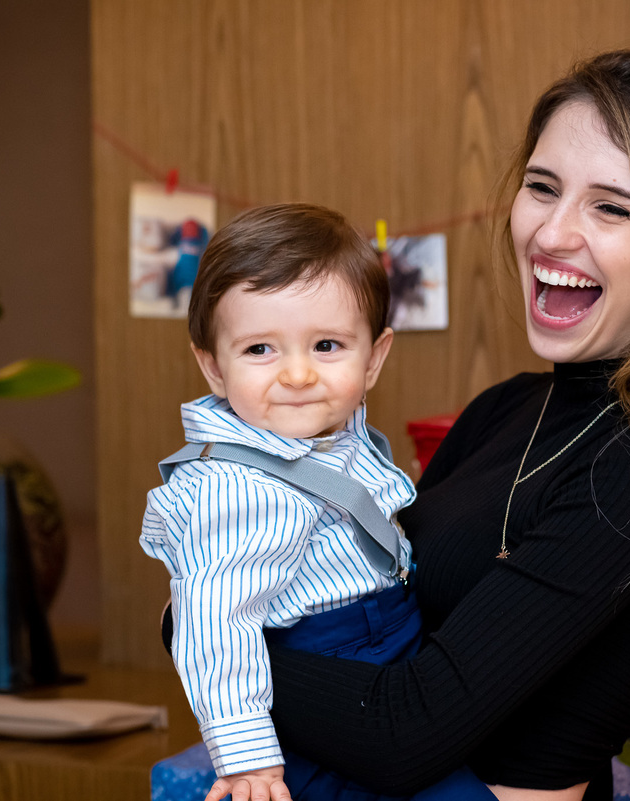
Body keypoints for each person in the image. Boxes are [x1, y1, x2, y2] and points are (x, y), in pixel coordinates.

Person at [224, 49, 630, 801]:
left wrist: (204, 638)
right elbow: (377, 624)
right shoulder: (505, 408)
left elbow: (405, 730)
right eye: (542, 187)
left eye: (611, 207)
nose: (552, 234)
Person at [141, 203, 425, 801]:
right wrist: (247, 759)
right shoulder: (240, 490)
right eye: (260, 351)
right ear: (213, 367)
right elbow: (215, 623)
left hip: (389, 653)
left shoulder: (329, 433)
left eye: (326, 345)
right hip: (329, 665)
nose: (296, 375)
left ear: (373, 358)